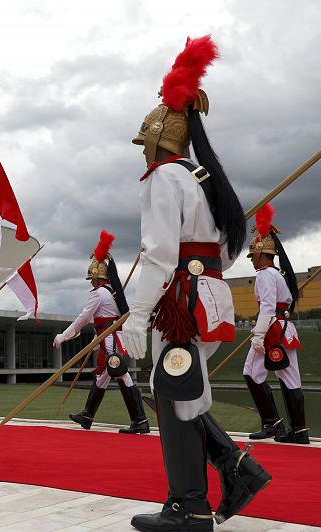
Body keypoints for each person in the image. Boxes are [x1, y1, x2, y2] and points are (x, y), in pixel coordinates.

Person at [124, 36, 270, 529]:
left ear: (156, 137)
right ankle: (235, 467)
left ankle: (188, 506)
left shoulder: (164, 177)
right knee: (179, 390)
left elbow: (160, 255)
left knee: (172, 392)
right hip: (211, 295)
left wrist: (138, 314)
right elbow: (227, 250)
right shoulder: (205, 178)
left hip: (182, 304)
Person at [54, 231, 148, 434]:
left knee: (121, 375)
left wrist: (63, 336)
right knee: (104, 377)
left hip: (109, 339)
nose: (90, 282)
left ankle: (140, 421)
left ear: (97, 278)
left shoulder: (98, 295)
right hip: (110, 337)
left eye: (92, 279)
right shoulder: (112, 292)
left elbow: (83, 319)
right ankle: (88, 416)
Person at [243, 203, 308, 444]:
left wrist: (259, 335)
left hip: (272, 329)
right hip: (286, 329)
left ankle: (272, 423)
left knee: (251, 373)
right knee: (291, 378)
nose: (252, 260)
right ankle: (299, 430)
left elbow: (268, 307)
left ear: (261, 253)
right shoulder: (278, 275)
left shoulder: (264, 275)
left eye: (253, 255)